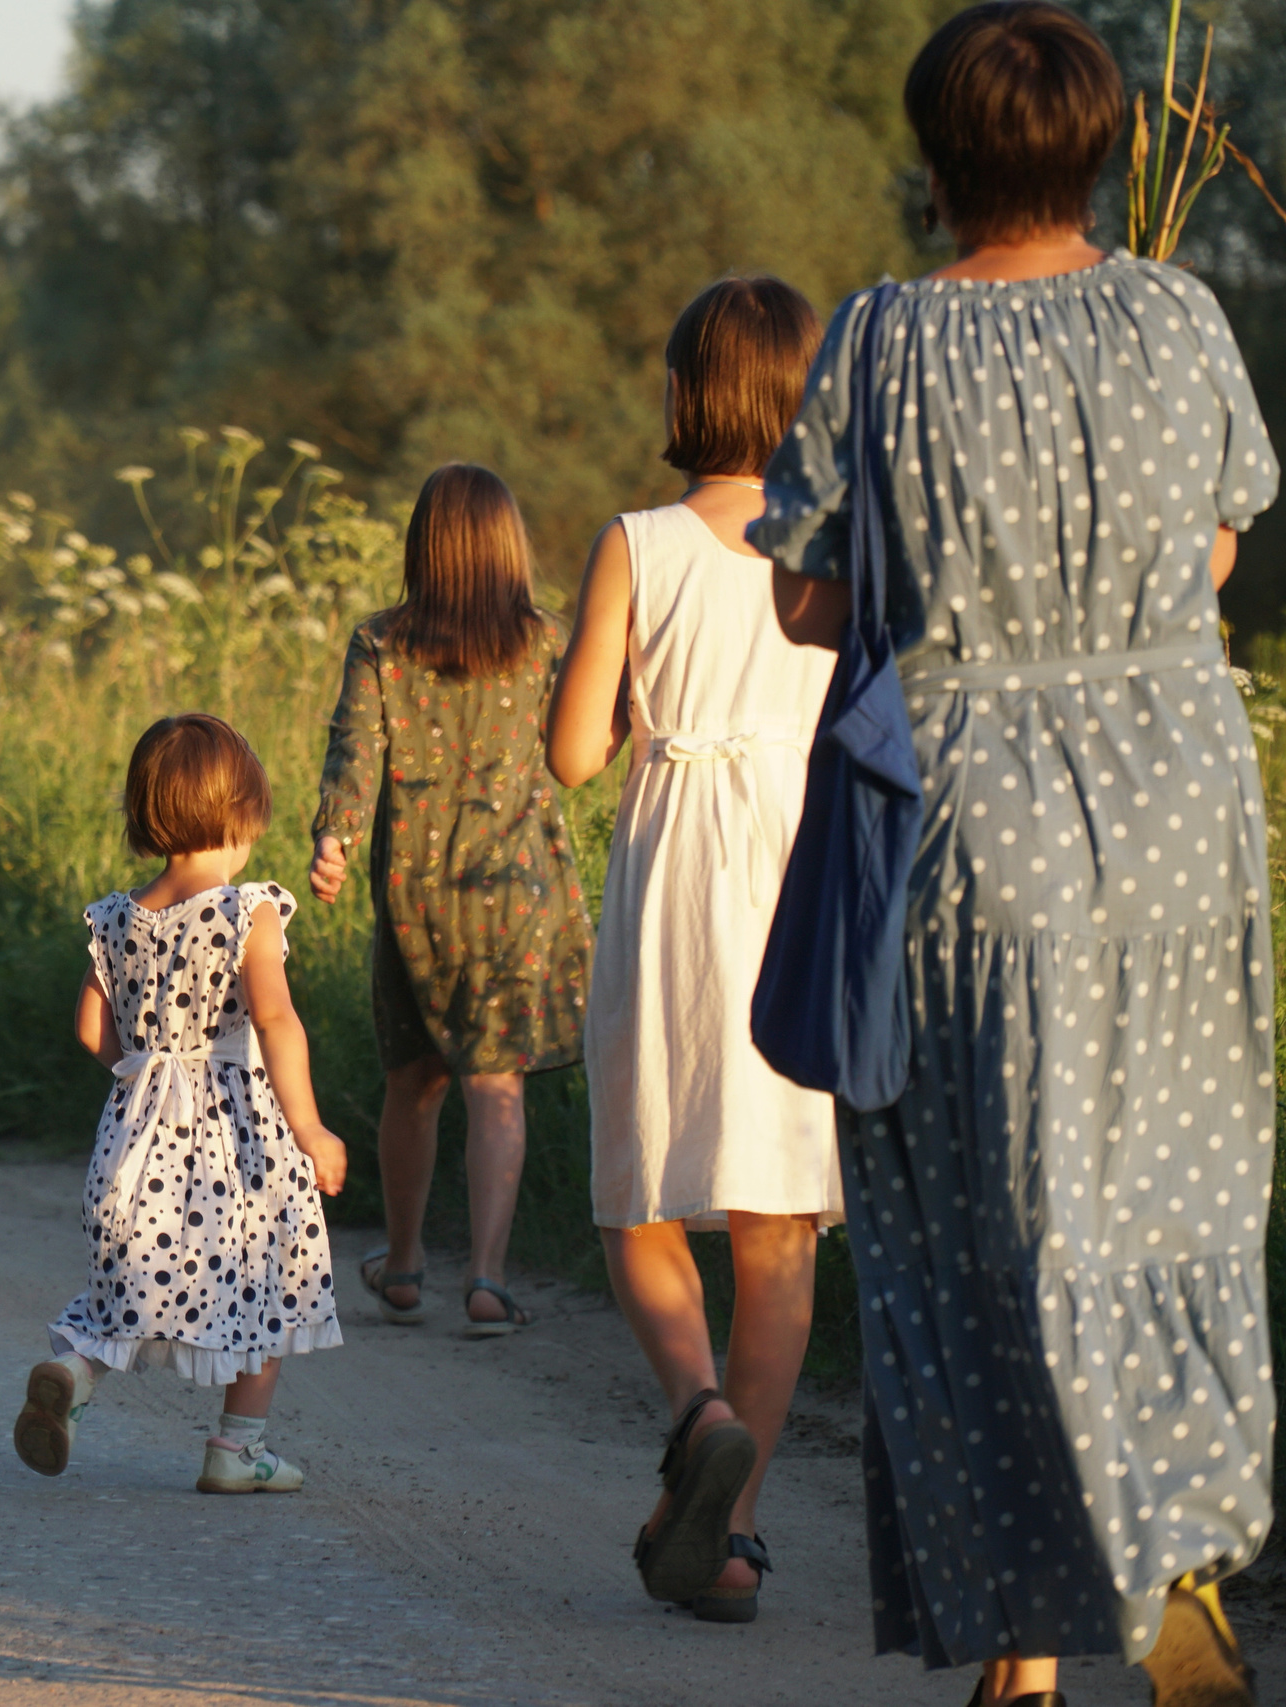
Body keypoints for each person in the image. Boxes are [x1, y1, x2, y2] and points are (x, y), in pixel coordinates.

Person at [754, 5, 1276, 1701]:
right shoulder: (1179, 313)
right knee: (1170, 1194)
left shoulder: (882, 338)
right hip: (1183, 802)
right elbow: (1214, 550)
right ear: (1102, 149)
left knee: (984, 1222)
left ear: (936, 161)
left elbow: (809, 598)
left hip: (978, 819)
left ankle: (1028, 1647)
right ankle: (1179, 1538)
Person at [546, 277, 838, 1626]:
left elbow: (574, 751)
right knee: (779, 1224)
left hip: (674, 872)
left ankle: (696, 1411)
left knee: (643, 1193)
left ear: (684, 392)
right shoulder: (841, 545)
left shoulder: (638, 541)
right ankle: (737, 1533)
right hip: (801, 868)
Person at [13, 713, 347, 1493]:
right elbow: (275, 1019)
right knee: (262, 1275)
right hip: (239, 1135)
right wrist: (308, 1126)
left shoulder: (118, 915)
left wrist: (143, 1073)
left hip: (139, 1130)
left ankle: (76, 1370)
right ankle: (237, 1447)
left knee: (136, 1277)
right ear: (239, 815)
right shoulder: (245, 910)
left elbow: (89, 1026)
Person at [309, 464, 594, 1336]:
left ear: (422, 545)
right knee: (497, 1085)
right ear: (510, 542)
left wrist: (335, 837)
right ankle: (487, 1278)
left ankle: (401, 1265)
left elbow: (354, 754)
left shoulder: (381, 642)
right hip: (518, 891)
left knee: (414, 1084)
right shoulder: (548, 643)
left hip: (416, 897)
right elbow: (592, 739)